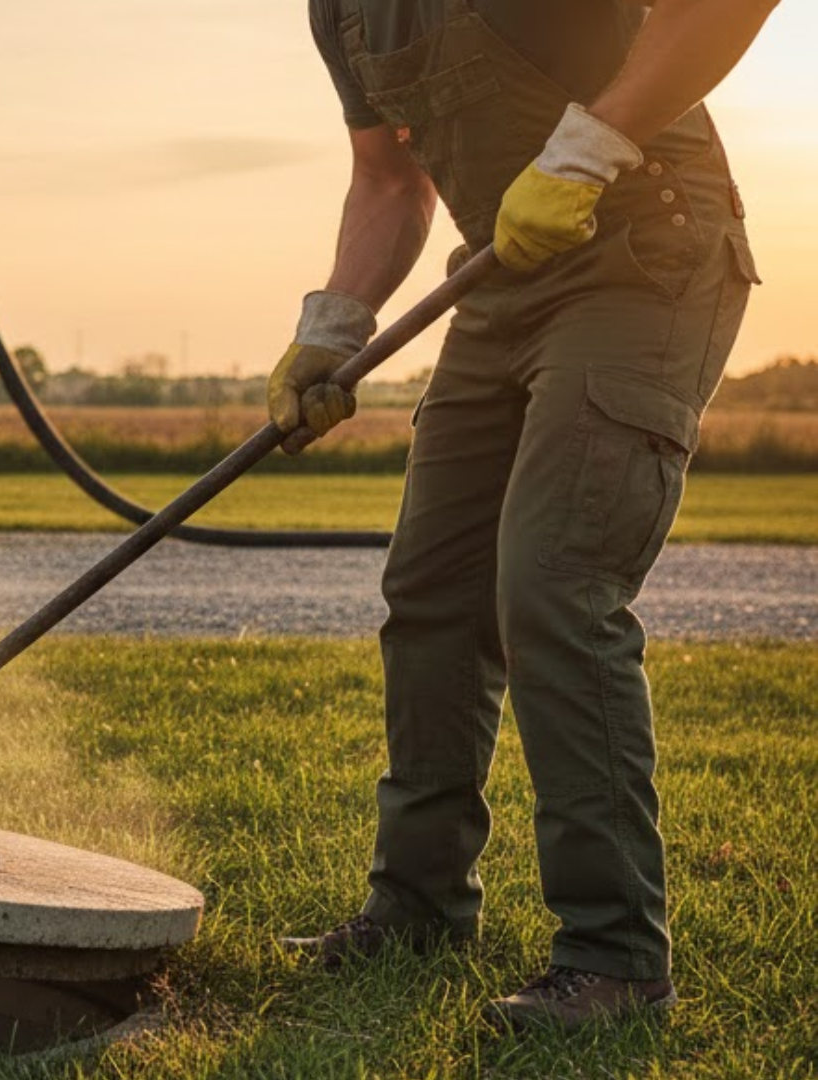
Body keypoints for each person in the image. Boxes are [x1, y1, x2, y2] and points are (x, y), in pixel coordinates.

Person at [272, 0, 777, 1030]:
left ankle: (615, 960)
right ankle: (414, 908)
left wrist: (590, 146)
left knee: (553, 583)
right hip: (500, 274)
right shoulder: (340, 13)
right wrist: (334, 320)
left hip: (647, 248)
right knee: (431, 593)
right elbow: (387, 177)